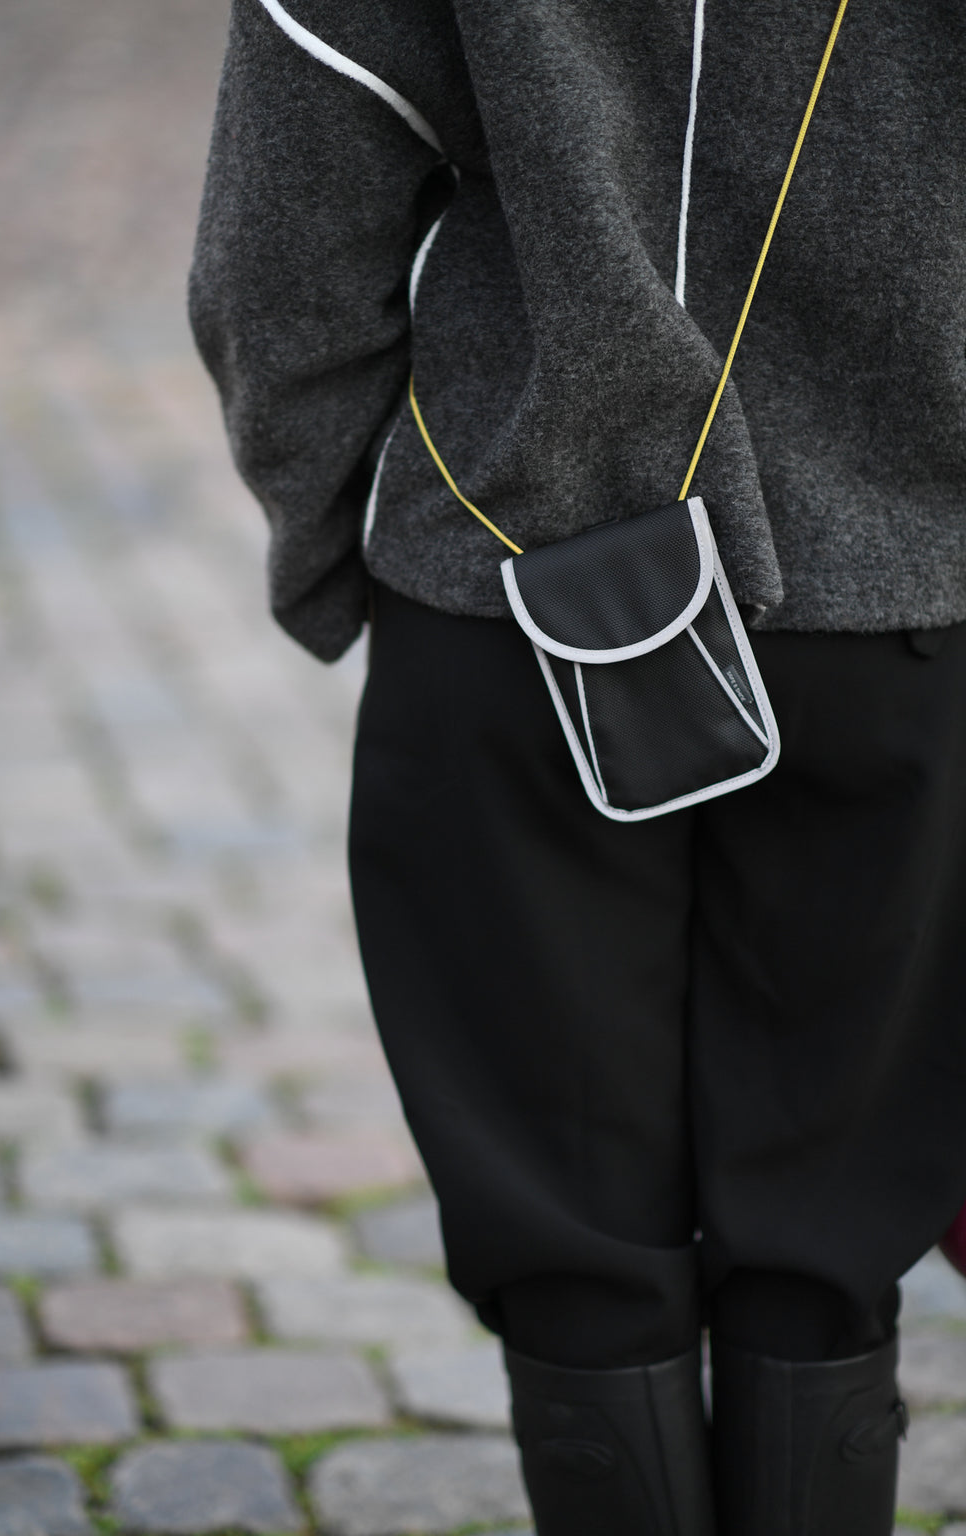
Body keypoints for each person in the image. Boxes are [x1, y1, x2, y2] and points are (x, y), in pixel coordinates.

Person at [189, 2, 966, 1530]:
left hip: (516, 594)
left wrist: (330, 530)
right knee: (824, 1236)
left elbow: (287, 229)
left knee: (570, 1236)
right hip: (909, 599)